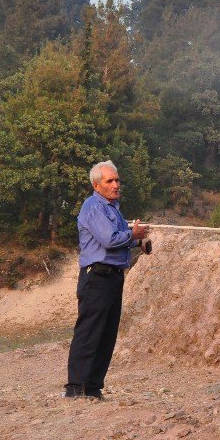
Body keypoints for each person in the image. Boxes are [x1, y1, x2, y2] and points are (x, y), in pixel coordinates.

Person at [66, 160, 149, 399]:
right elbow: (109, 239)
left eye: (117, 180)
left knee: (107, 332)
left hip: (113, 276)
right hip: (97, 276)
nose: (115, 185)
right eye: (109, 181)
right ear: (96, 185)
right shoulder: (93, 206)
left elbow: (121, 238)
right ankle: (76, 387)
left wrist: (139, 242)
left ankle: (92, 387)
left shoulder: (113, 209)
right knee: (90, 330)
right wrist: (132, 234)